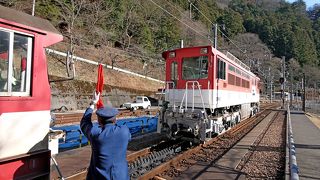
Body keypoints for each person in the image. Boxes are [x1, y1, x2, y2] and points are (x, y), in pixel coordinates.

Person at [80, 92, 131, 180]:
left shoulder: (95, 133)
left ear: (99, 121)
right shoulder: (124, 131)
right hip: (121, 177)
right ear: (115, 119)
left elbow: (84, 123)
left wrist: (93, 103)